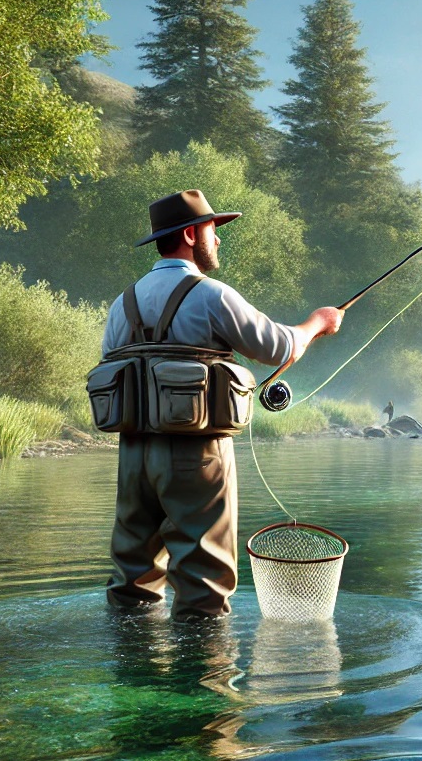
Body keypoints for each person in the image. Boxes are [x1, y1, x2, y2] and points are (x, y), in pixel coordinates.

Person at [100, 189, 343, 622]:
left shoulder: (123, 304)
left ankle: (132, 674)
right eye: (214, 230)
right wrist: (318, 323)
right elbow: (279, 347)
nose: (219, 240)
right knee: (204, 590)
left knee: (131, 586)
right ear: (191, 235)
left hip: (133, 457)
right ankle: (202, 684)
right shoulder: (212, 295)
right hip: (198, 457)